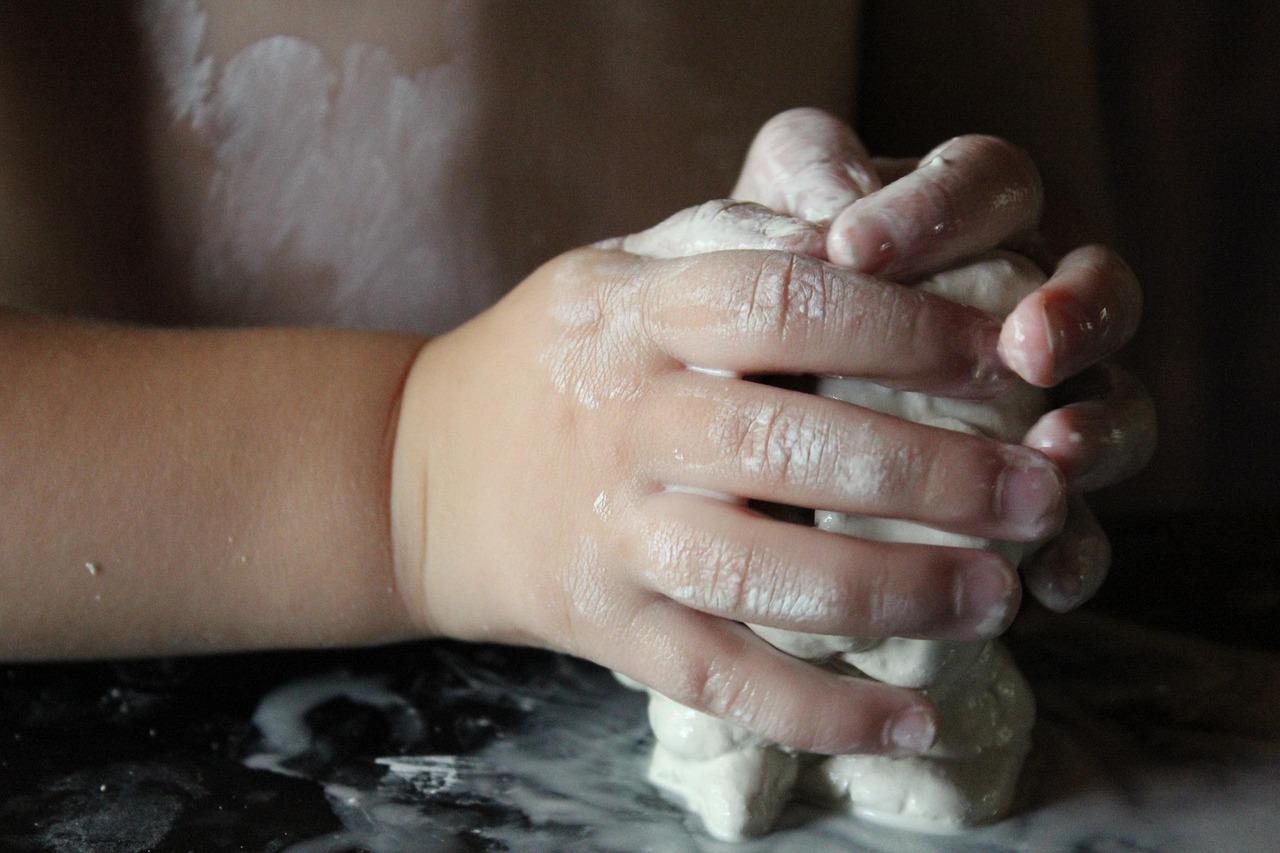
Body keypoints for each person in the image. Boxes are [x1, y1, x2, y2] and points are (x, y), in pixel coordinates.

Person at [0, 1, 1154, 758]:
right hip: (132, 745)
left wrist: (950, 315)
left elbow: (1018, 177)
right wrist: (424, 468)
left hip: (761, 682)